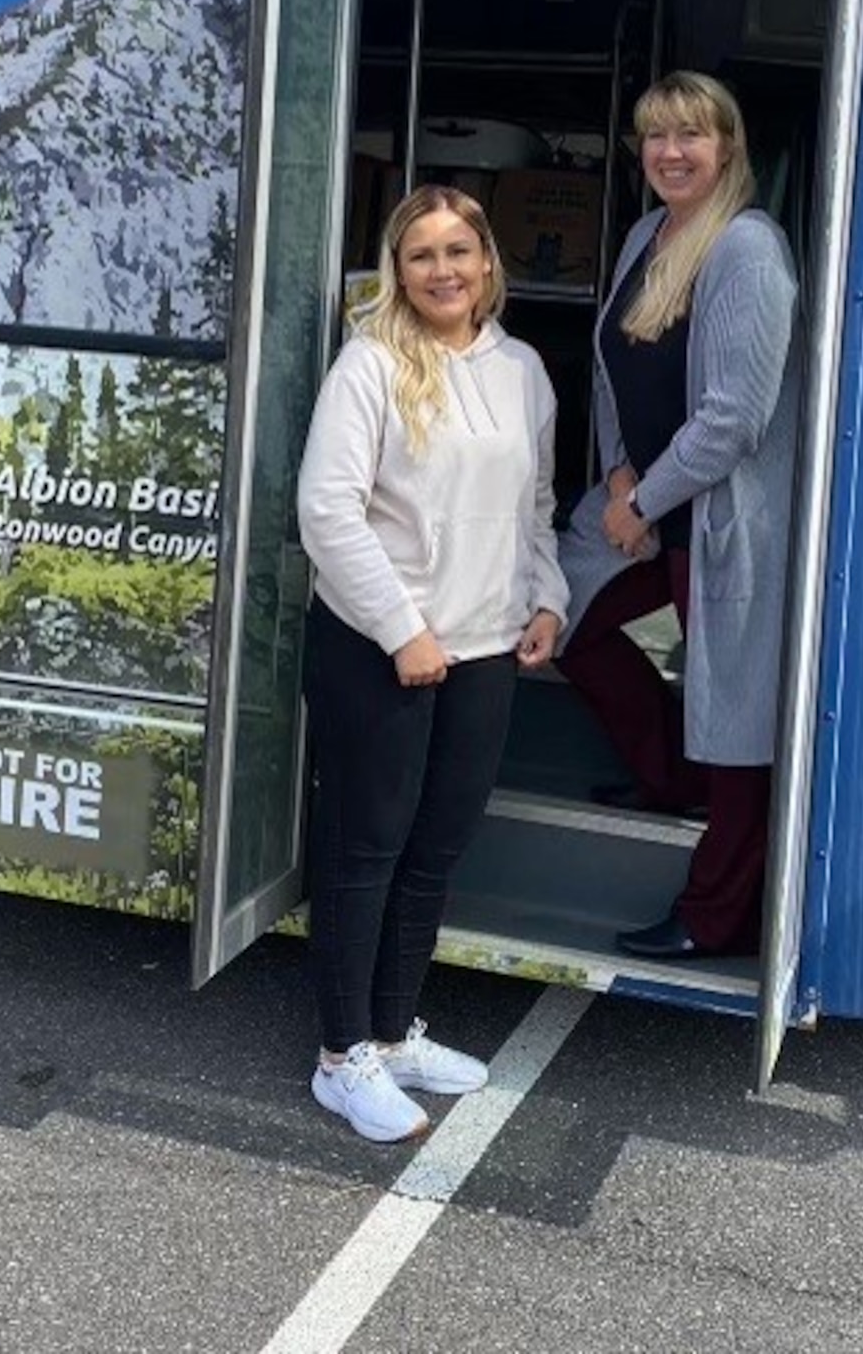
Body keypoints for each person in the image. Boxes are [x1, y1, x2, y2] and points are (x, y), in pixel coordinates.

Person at [295, 184, 568, 1142]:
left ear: (489, 262)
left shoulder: (525, 370)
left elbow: (536, 503)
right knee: (362, 849)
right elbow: (326, 511)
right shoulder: (369, 365)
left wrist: (549, 597)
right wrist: (401, 627)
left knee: (433, 847)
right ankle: (342, 1057)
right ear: (398, 271)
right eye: (422, 255)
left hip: (486, 647)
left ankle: (390, 1028)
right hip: (378, 649)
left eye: (460, 251)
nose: (443, 270)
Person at [556, 70, 799, 959]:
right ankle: (667, 776)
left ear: (727, 146)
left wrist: (649, 498)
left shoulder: (747, 249)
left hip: (718, 519)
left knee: (740, 728)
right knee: (556, 616)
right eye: (655, 136)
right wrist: (621, 477)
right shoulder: (645, 234)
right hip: (640, 500)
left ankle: (716, 912)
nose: (670, 152)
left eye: (691, 134)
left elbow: (736, 416)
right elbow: (611, 365)